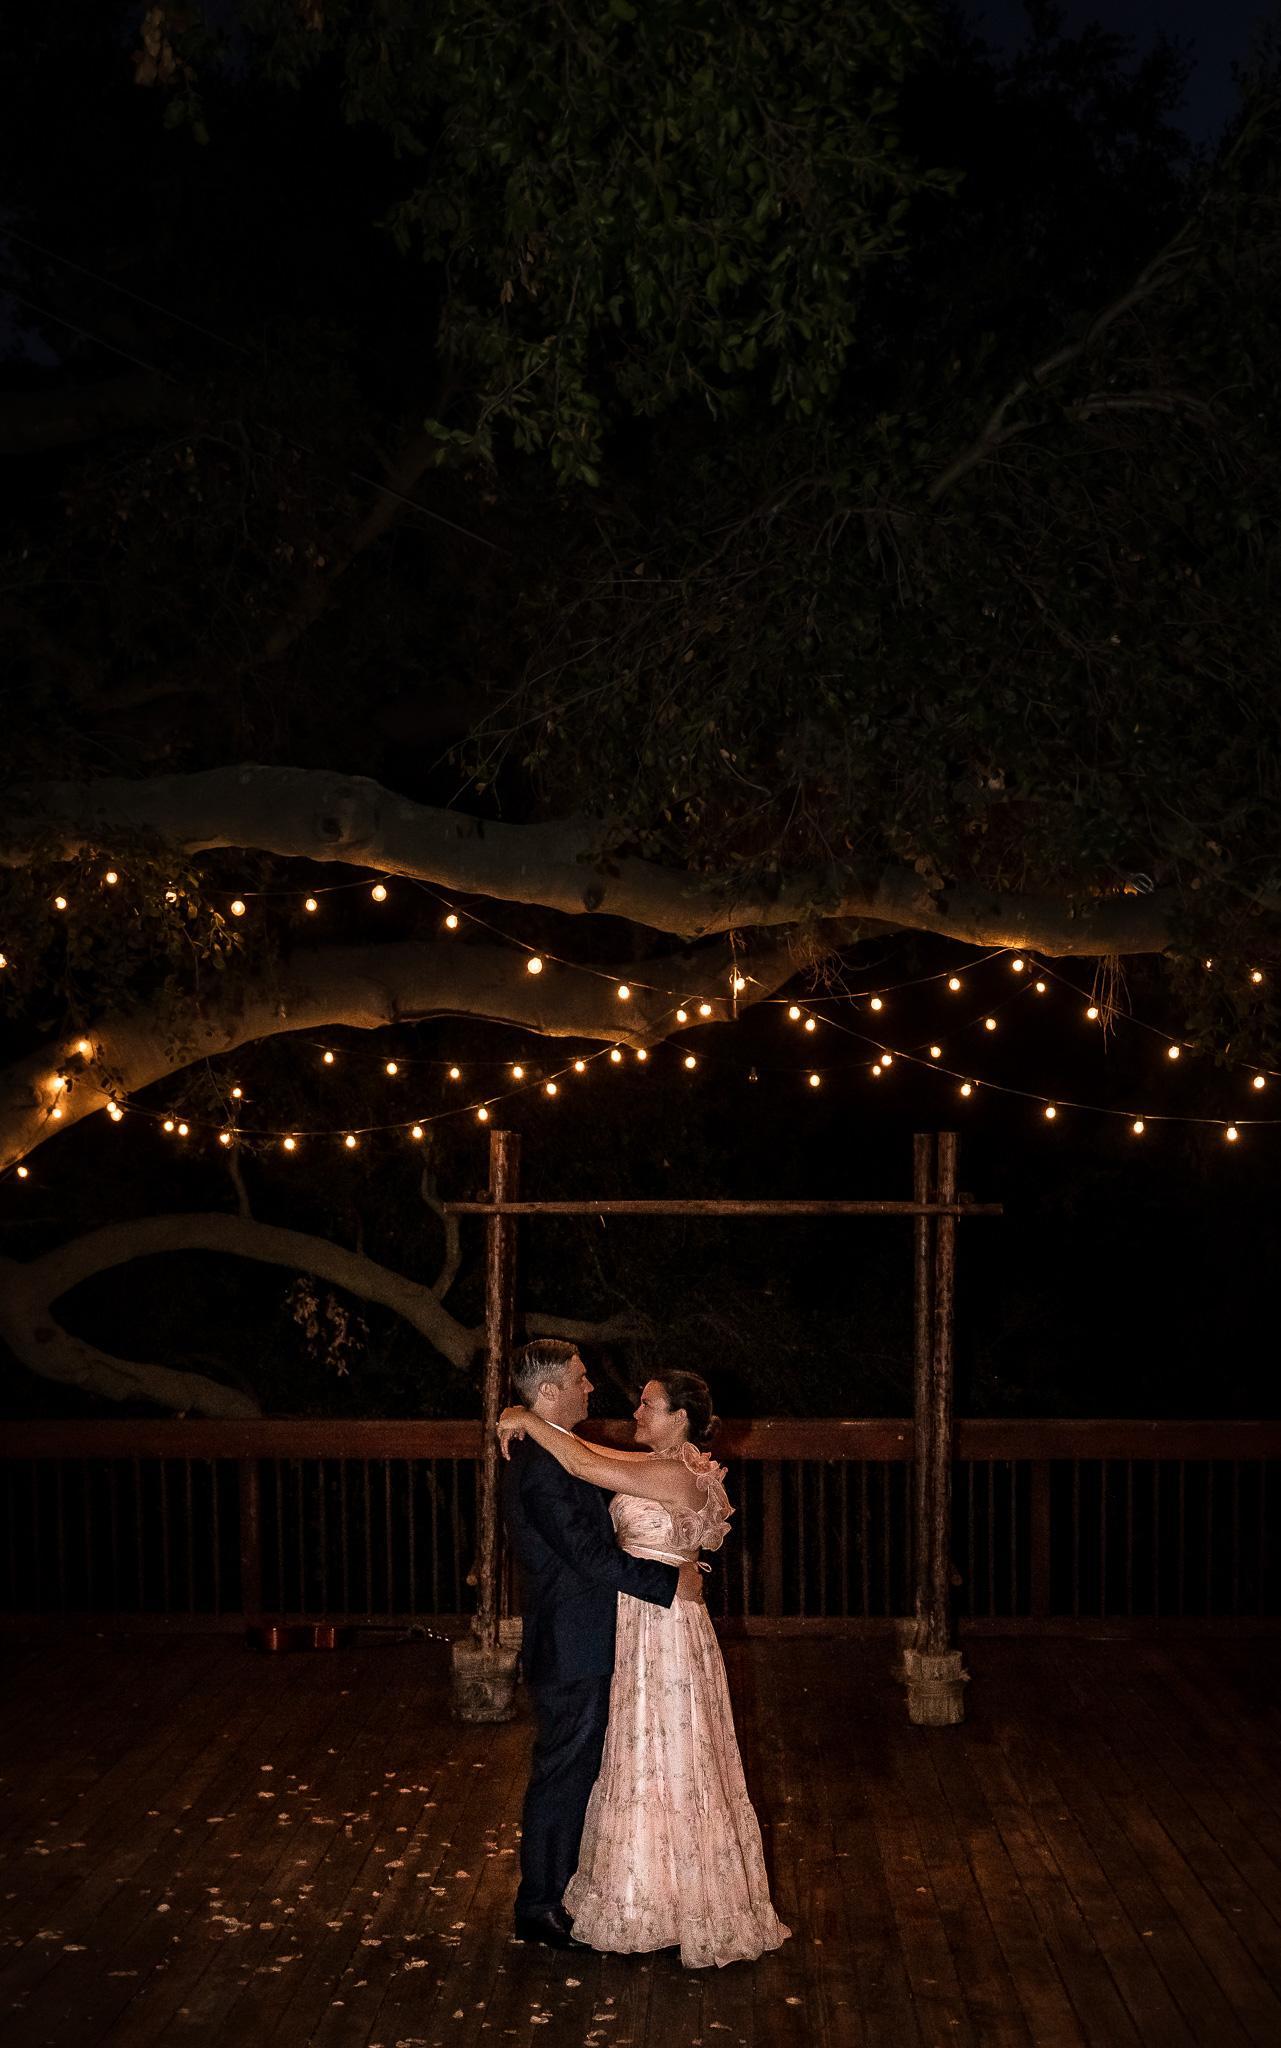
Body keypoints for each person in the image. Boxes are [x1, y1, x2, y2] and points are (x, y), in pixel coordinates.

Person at [498, 1361, 791, 1969]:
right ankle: (618, 1892)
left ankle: (664, 1897)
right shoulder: (654, 1464)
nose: (633, 1410)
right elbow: (584, 1457)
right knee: (631, 1755)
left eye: (648, 1405)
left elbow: (583, 1463)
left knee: (667, 1753)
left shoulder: (677, 1473)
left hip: (661, 1624)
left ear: (680, 1419)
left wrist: (526, 1415)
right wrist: (529, 1418)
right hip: (629, 1620)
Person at [500, 1338, 706, 1950]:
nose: (591, 1388)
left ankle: (567, 1892)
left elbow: (593, 1464)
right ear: (550, 1391)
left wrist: (526, 1418)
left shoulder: (560, 1453)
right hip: (573, 1640)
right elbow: (588, 1556)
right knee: (564, 1772)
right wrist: (669, 1582)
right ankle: (539, 1905)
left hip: (598, 1635)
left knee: (581, 1769)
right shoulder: (543, 1469)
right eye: (580, 1378)